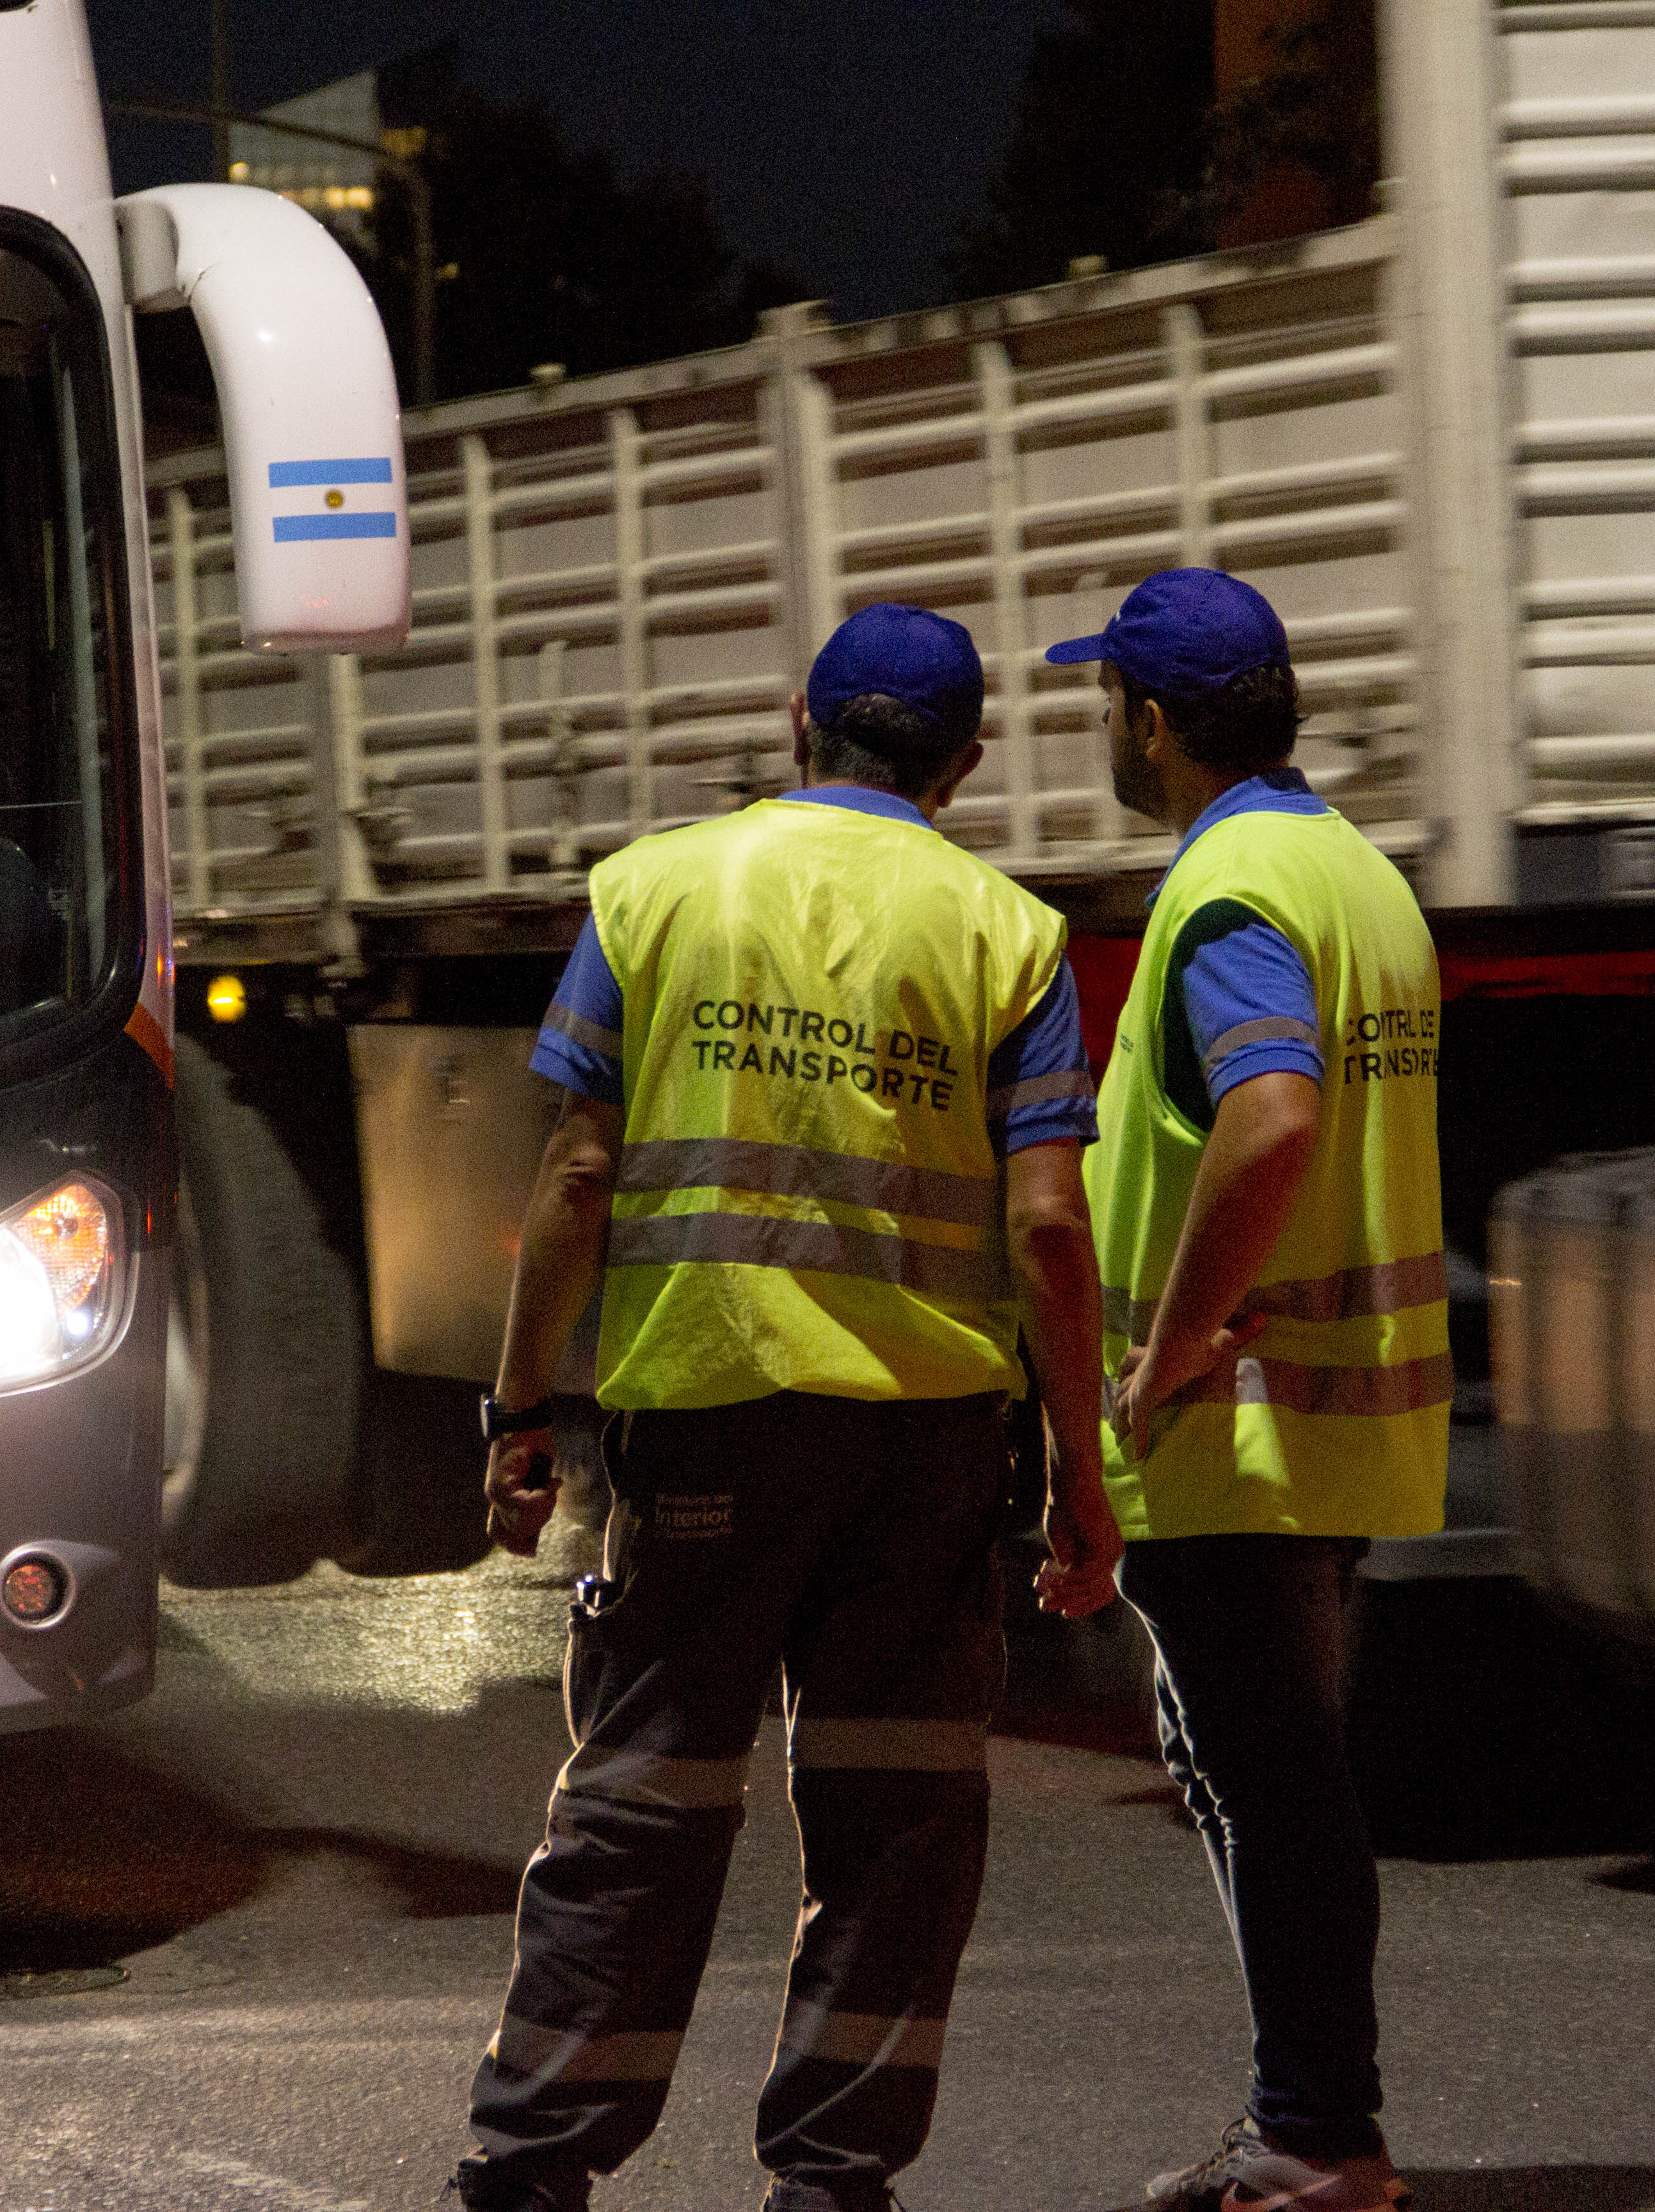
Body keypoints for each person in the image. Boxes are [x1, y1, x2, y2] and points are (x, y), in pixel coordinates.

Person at [451, 602, 1125, 2212]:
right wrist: (1082, 1477)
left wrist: (519, 1408)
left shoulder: (653, 893)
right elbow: (1046, 1226)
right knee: (900, 1821)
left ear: (794, 724)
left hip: (710, 1417)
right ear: (963, 765)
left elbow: (577, 1177)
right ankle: (834, 2184)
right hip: (928, 1454)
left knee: (645, 1802)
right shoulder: (1009, 938)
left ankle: (537, 2168)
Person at [1046, 570, 1449, 2212]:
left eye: (1107, 711)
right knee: (1291, 1776)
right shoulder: (1359, 875)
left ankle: (1315, 2137)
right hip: (1345, 1418)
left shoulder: (1227, 896)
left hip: (1243, 1429)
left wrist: (1164, 1348)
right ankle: (1317, 2122)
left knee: (1264, 1785)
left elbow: (1271, 1116)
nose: (1107, 737)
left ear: (1153, 723)